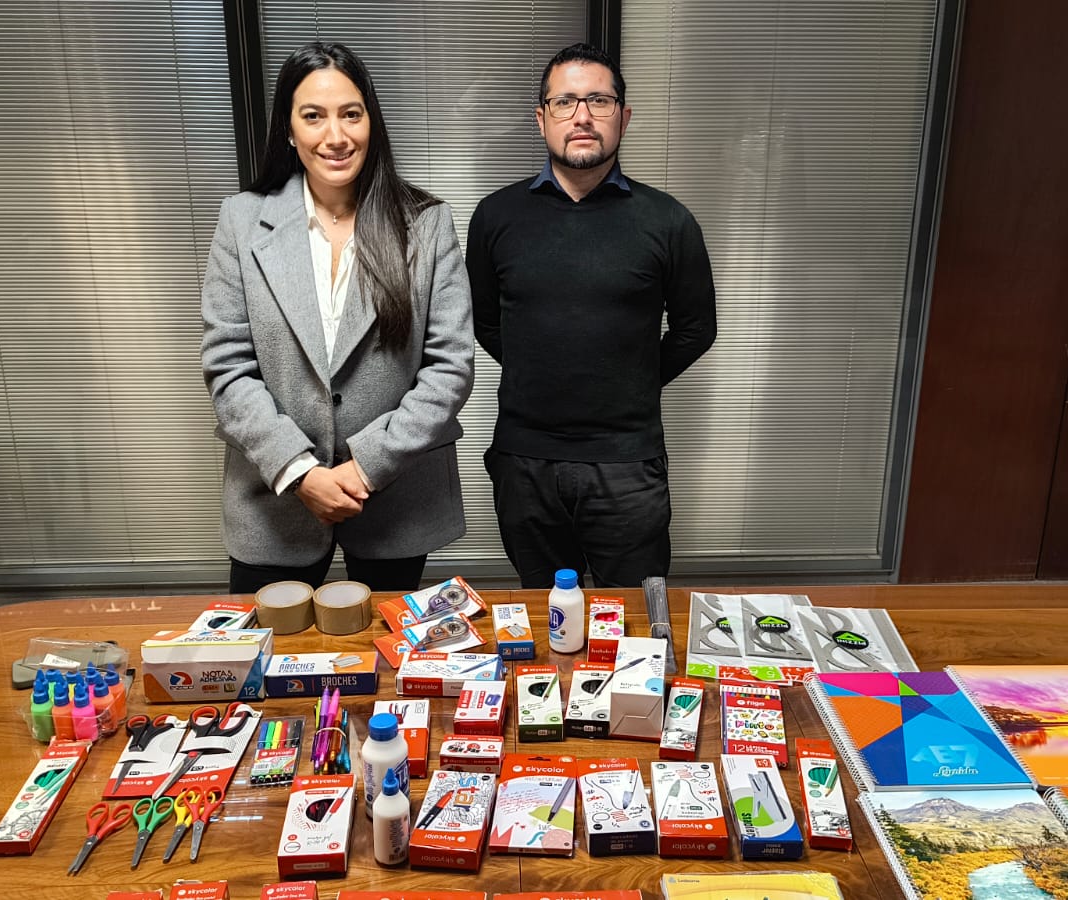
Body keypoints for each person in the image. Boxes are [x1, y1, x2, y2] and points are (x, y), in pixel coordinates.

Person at [201, 42, 473, 594]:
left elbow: (450, 367)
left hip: (395, 500)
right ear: (288, 129)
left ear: (371, 121)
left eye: (351, 114)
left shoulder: (425, 224)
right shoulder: (242, 219)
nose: (336, 136)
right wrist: (299, 471)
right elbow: (227, 366)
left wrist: (365, 465)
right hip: (274, 504)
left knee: (393, 666)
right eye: (314, 116)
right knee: (271, 665)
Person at [467, 42, 716, 589]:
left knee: (628, 620)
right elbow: (485, 321)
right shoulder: (495, 216)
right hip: (524, 461)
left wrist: (630, 375)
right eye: (565, 102)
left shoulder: (669, 221)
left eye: (599, 101)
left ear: (624, 117)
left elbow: (697, 329)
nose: (582, 116)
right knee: (545, 612)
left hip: (628, 464)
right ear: (542, 119)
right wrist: (543, 367)